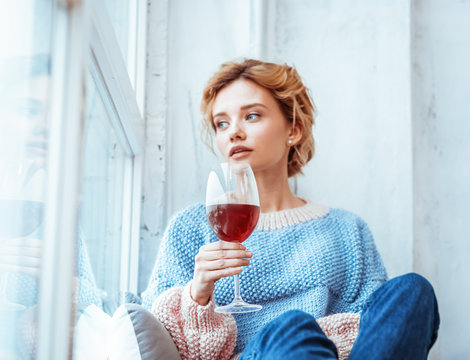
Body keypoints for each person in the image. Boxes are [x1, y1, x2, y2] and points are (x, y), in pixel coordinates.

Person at [142, 58, 439, 360]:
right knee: (291, 327)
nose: (233, 132)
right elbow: (176, 350)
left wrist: (316, 339)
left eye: (252, 116)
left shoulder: (348, 230)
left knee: (413, 290)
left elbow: (375, 333)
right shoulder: (191, 227)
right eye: (221, 123)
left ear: (293, 130)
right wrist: (199, 293)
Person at [0, 54, 103, 359]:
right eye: (28, 111)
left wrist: (60, 283)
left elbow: (94, 314)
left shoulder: (53, 210)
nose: (45, 126)